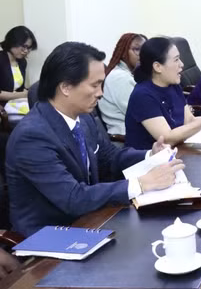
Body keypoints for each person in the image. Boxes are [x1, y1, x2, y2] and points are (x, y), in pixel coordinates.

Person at [5, 42, 184, 236]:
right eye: (95, 85)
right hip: (51, 236)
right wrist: (141, 183)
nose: (101, 93)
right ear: (65, 87)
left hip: (92, 219)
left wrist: (150, 155)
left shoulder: (83, 117)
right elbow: (73, 198)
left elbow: (110, 159)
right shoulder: (32, 137)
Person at [98, 33, 147, 135]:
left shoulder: (130, 73)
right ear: (124, 52)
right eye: (137, 49)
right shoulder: (120, 78)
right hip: (125, 137)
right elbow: (142, 112)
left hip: (139, 131)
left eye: (145, 50)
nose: (143, 55)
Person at [0, 25, 37, 106]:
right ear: (13, 42)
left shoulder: (22, 62)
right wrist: (22, 95)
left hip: (16, 102)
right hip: (3, 105)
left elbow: (20, 89)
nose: (26, 51)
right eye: (24, 47)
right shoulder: (1, 59)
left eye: (29, 48)